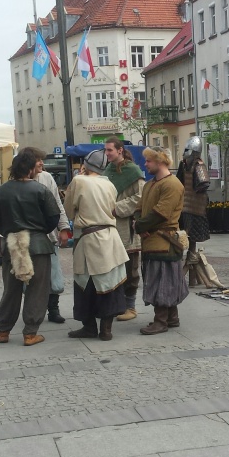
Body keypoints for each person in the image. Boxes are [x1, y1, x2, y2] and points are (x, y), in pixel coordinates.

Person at [0, 147, 62, 346]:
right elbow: (53, 216)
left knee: (10, 289)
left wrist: (9, 232)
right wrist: (40, 231)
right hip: (38, 245)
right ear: (30, 169)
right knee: (37, 290)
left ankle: (3, 331)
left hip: (11, 245)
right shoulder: (40, 190)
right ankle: (30, 333)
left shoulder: (0, 191)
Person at [63, 150, 129, 341]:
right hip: (110, 239)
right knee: (110, 284)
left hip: (89, 240)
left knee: (87, 286)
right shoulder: (109, 183)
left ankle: (90, 328)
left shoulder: (79, 181)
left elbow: (68, 210)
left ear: (86, 165)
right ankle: (106, 330)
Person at [136, 147, 188, 335]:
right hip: (152, 240)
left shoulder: (173, 184)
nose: (145, 164)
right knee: (162, 279)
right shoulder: (150, 185)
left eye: (148, 161)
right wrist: (140, 224)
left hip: (164, 241)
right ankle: (172, 317)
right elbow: (139, 208)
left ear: (160, 162)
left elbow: (161, 213)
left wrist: (140, 227)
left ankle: (161, 321)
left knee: (163, 282)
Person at [103, 136, 145, 322]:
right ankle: (117, 304)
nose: (107, 153)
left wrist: (117, 207)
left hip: (127, 226)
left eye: (110, 150)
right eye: (106, 150)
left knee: (131, 268)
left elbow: (141, 196)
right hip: (110, 226)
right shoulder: (107, 170)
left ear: (120, 150)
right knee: (114, 267)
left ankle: (130, 306)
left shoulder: (133, 170)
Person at [34, 154, 73, 323]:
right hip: (28, 238)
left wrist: (64, 227)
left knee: (53, 273)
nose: (42, 163)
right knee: (31, 276)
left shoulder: (47, 177)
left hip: (48, 235)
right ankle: (35, 309)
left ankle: (53, 309)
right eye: (38, 160)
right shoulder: (17, 181)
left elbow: (57, 204)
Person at [175, 137, 210, 263]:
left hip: (195, 208)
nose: (185, 153)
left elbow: (204, 183)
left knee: (192, 239)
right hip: (184, 206)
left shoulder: (199, 166)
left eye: (187, 150)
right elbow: (177, 182)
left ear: (194, 152)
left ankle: (192, 259)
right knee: (181, 236)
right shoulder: (183, 165)